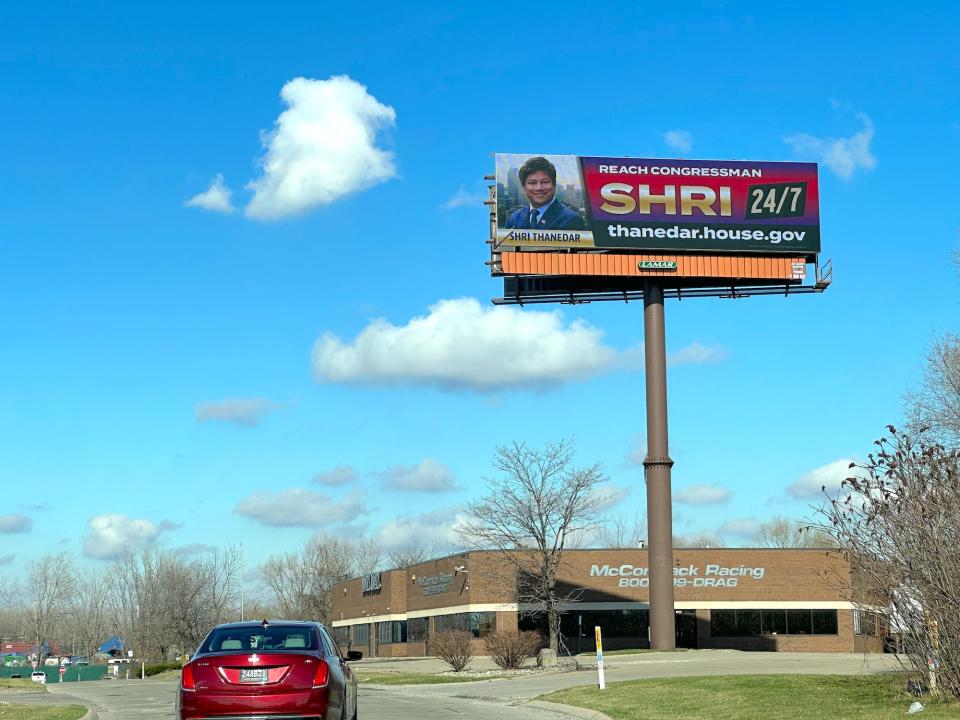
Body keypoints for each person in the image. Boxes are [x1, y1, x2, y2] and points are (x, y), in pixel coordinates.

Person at [505, 156, 587, 230]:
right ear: (524, 187)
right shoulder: (514, 219)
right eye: (532, 183)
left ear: (554, 184)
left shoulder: (572, 220)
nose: (539, 188)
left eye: (545, 182)